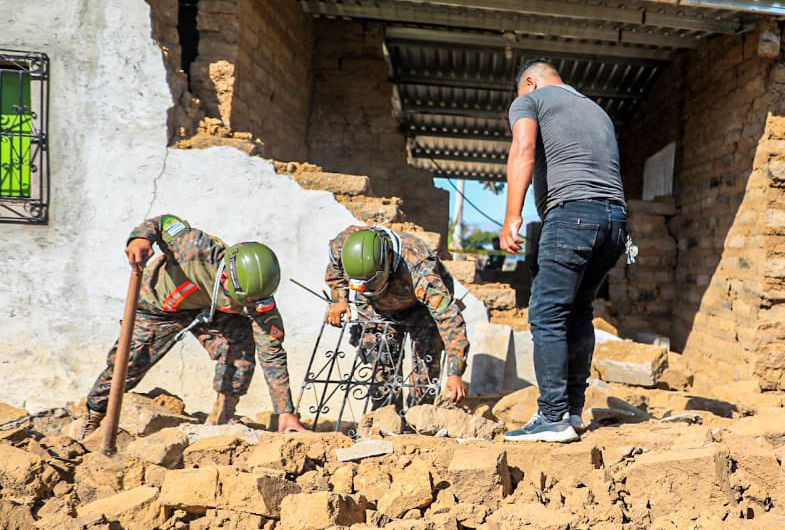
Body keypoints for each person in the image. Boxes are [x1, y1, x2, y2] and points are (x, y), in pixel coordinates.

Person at [498, 59, 627, 443]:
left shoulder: (532, 99)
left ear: (531, 82)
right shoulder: (595, 109)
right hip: (615, 222)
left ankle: (552, 417)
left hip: (572, 215)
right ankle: (571, 411)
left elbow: (523, 150)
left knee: (547, 311)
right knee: (578, 311)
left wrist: (511, 216)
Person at [82, 215, 307, 435]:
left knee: (239, 348)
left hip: (212, 311)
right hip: (160, 307)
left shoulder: (257, 297)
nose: (250, 305)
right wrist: (140, 239)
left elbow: (271, 352)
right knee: (129, 362)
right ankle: (93, 414)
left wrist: (284, 411)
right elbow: (162, 223)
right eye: (245, 300)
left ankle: (220, 422)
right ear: (225, 278)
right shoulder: (195, 248)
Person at [324, 225, 469, 408]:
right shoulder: (343, 247)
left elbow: (449, 317)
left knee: (425, 368)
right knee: (382, 363)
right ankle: (386, 416)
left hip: (420, 309)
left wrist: (455, 373)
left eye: (374, 283)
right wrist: (339, 299)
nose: (371, 288)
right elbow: (335, 271)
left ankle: (419, 417)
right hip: (375, 308)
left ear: (389, 258)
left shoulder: (419, 267)